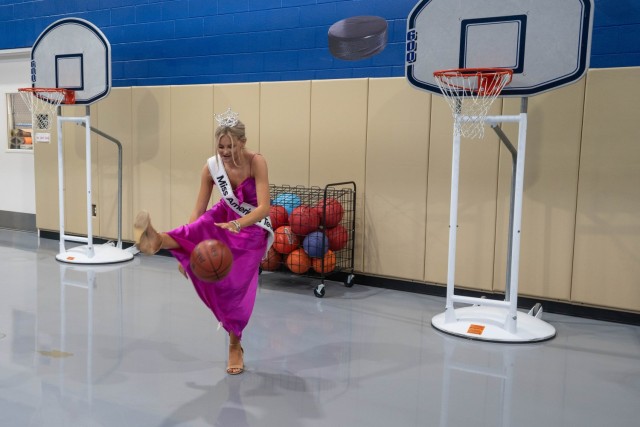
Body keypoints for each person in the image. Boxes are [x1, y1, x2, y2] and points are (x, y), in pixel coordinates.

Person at [133, 108, 273, 375]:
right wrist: (189, 251)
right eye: (220, 146)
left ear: (242, 142)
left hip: (252, 226)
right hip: (225, 216)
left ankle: (235, 343)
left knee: (234, 286)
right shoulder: (212, 168)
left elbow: (264, 208)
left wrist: (236, 224)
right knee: (199, 225)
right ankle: (157, 240)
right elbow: (197, 213)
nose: (224, 152)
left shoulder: (257, 162)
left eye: (230, 146)